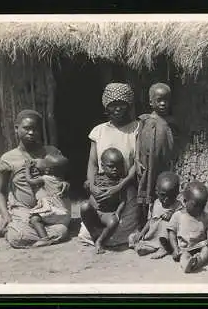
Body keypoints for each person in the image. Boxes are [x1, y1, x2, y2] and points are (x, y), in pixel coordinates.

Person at [0, 109, 70, 249]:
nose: (31, 132)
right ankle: (16, 227)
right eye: (26, 128)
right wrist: (5, 215)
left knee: (61, 231)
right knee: (18, 237)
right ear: (17, 129)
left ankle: (28, 232)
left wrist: (65, 184)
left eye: (35, 129)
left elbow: (59, 178)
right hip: (24, 209)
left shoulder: (52, 152)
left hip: (50, 209)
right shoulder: (8, 158)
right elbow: (0, 192)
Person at [78, 83, 140, 248]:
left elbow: (137, 164)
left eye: (122, 104)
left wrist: (119, 187)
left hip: (125, 189)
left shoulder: (136, 129)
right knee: (86, 230)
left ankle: (103, 235)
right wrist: (92, 186)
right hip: (102, 186)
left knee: (120, 233)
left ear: (128, 105)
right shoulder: (98, 131)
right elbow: (92, 163)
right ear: (106, 106)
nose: (117, 109)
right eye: (113, 104)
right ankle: (98, 233)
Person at [135, 83, 179, 228]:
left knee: (162, 191)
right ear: (150, 101)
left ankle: (160, 225)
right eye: (159, 100)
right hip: (147, 164)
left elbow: (171, 144)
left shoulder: (170, 122)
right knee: (144, 192)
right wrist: (136, 159)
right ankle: (141, 226)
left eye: (166, 100)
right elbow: (138, 139)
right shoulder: (145, 120)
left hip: (163, 164)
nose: (163, 103)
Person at [82, 148, 128, 254]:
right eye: (111, 166)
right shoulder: (96, 178)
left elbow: (123, 200)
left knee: (114, 222)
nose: (115, 169)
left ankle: (100, 241)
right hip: (94, 211)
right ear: (102, 166)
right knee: (84, 206)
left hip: (107, 213)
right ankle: (94, 235)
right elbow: (88, 189)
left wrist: (117, 213)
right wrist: (87, 186)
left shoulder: (120, 182)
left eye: (118, 166)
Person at [128, 171, 182, 259]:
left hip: (167, 238)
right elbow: (150, 221)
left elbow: (182, 219)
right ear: (157, 192)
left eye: (171, 196)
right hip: (153, 234)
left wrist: (172, 214)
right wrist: (142, 232)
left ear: (176, 194)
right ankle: (149, 248)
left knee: (166, 224)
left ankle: (163, 248)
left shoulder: (178, 205)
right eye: (163, 195)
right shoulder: (156, 203)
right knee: (133, 237)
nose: (166, 199)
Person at [167, 181, 208, 273]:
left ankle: (198, 262)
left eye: (202, 206)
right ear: (185, 202)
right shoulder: (178, 215)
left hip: (200, 245)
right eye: (196, 205)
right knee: (184, 256)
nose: (199, 209)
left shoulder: (204, 215)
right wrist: (175, 249)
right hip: (184, 248)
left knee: (207, 250)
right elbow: (171, 232)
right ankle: (187, 264)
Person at [25, 154, 71, 247]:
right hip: (64, 214)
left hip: (55, 212)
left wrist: (27, 168)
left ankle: (44, 238)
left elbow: (29, 181)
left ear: (48, 169)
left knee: (34, 219)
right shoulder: (61, 180)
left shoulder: (45, 179)